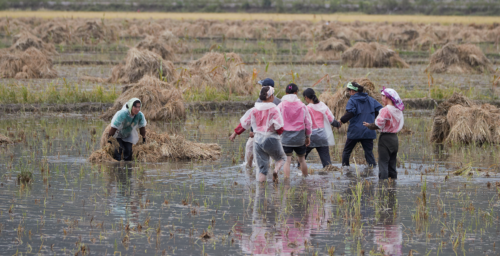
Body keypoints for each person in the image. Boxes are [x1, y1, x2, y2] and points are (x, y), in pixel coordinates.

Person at [229, 86, 286, 182]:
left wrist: (235, 133)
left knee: (262, 170)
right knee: (281, 158)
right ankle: (275, 171)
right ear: (271, 97)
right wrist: (278, 132)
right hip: (271, 138)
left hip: (258, 140)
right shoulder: (274, 109)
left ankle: (260, 192)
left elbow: (244, 124)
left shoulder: (254, 110)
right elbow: (279, 128)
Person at [363, 87, 404, 180]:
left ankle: (383, 187)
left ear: (386, 97)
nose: (381, 99)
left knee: (383, 163)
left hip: (385, 139)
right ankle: (393, 185)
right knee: (392, 164)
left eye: (382, 97)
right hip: (394, 139)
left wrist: (369, 125)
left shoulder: (385, 110)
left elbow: (378, 124)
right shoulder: (398, 110)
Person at [339, 82, 382, 168]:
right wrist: (373, 119)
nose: (349, 93)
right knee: (369, 153)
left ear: (352, 91)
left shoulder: (352, 100)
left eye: (349, 91)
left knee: (347, 152)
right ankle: (372, 170)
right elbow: (381, 111)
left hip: (355, 131)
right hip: (368, 130)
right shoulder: (371, 99)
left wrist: (341, 121)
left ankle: (345, 170)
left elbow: (350, 113)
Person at [277, 83, 312, 178]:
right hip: (299, 137)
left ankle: (286, 181)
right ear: (296, 92)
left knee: (287, 160)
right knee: (302, 160)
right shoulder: (302, 105)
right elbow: (308, 123)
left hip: (286, 137)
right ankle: (305, 178)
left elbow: (276, 121)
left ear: (285, 92)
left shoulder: (281, 105)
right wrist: (308, 136)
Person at [245, 78, 281, 167]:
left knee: (250, 146)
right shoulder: (279, 101)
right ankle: (272, 168)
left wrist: (252, 130)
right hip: (273, 133)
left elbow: (254, 117)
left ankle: (249, 166)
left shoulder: (260, 100)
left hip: (261, 132)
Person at [302, 88, 341, 168]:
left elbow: (303, 122)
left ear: (306, 97)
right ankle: (328, 176)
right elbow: (331, 119)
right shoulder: (322, 105)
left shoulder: (307, 108)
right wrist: (337, 124)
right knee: (327, 163)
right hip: (322, 135)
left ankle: (299, 173)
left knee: (302, 157)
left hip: (311, 136)